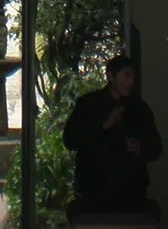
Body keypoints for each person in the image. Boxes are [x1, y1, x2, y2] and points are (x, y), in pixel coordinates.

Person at [61, 54, 162, 218]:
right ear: (110, 77)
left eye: (133, 77)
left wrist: (140, 146)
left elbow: (156, 148)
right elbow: (71, 140)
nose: (131, 83)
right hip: (94, 193)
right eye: (126, 76)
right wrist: (104, 126)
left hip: (131, 194)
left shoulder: (138, 107)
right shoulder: (89, 104)